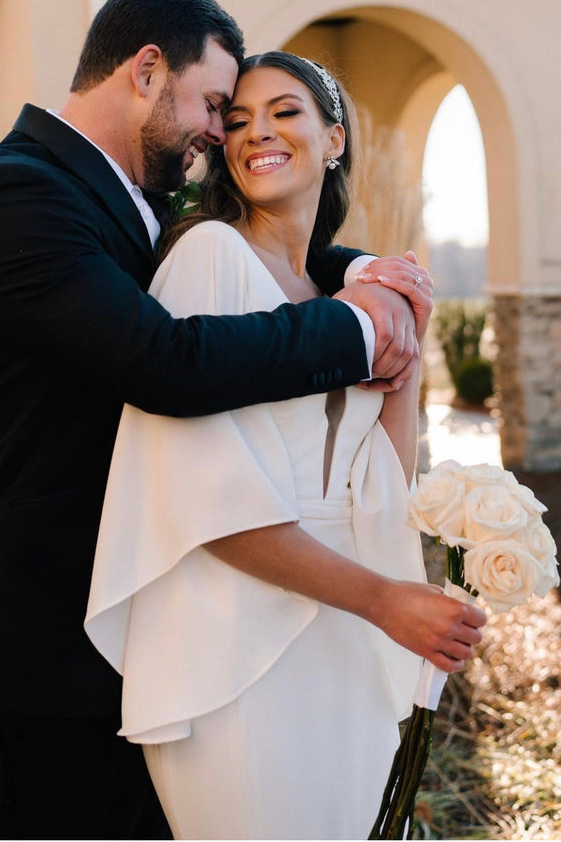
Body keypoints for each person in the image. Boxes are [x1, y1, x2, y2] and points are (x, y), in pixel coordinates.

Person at [0, 0, 428, 842]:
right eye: (213, 104)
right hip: (47, 651)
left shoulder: (144, 202)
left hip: (171, 634)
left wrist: (358, 272)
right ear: (147, 70)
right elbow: (165, 360)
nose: (217, 131)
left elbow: (262, 253)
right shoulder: (17, 194)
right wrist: (355, 330)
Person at [84, 51, 488, 840]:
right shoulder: (210, 258)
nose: (256, 132)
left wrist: (403, 349)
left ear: (335, 136)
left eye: (285, 111)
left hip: (346, 633)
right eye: (236, 121)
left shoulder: (335, 299)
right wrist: (387, 602)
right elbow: (206, 502)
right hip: (240, 648)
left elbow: (377, 485)